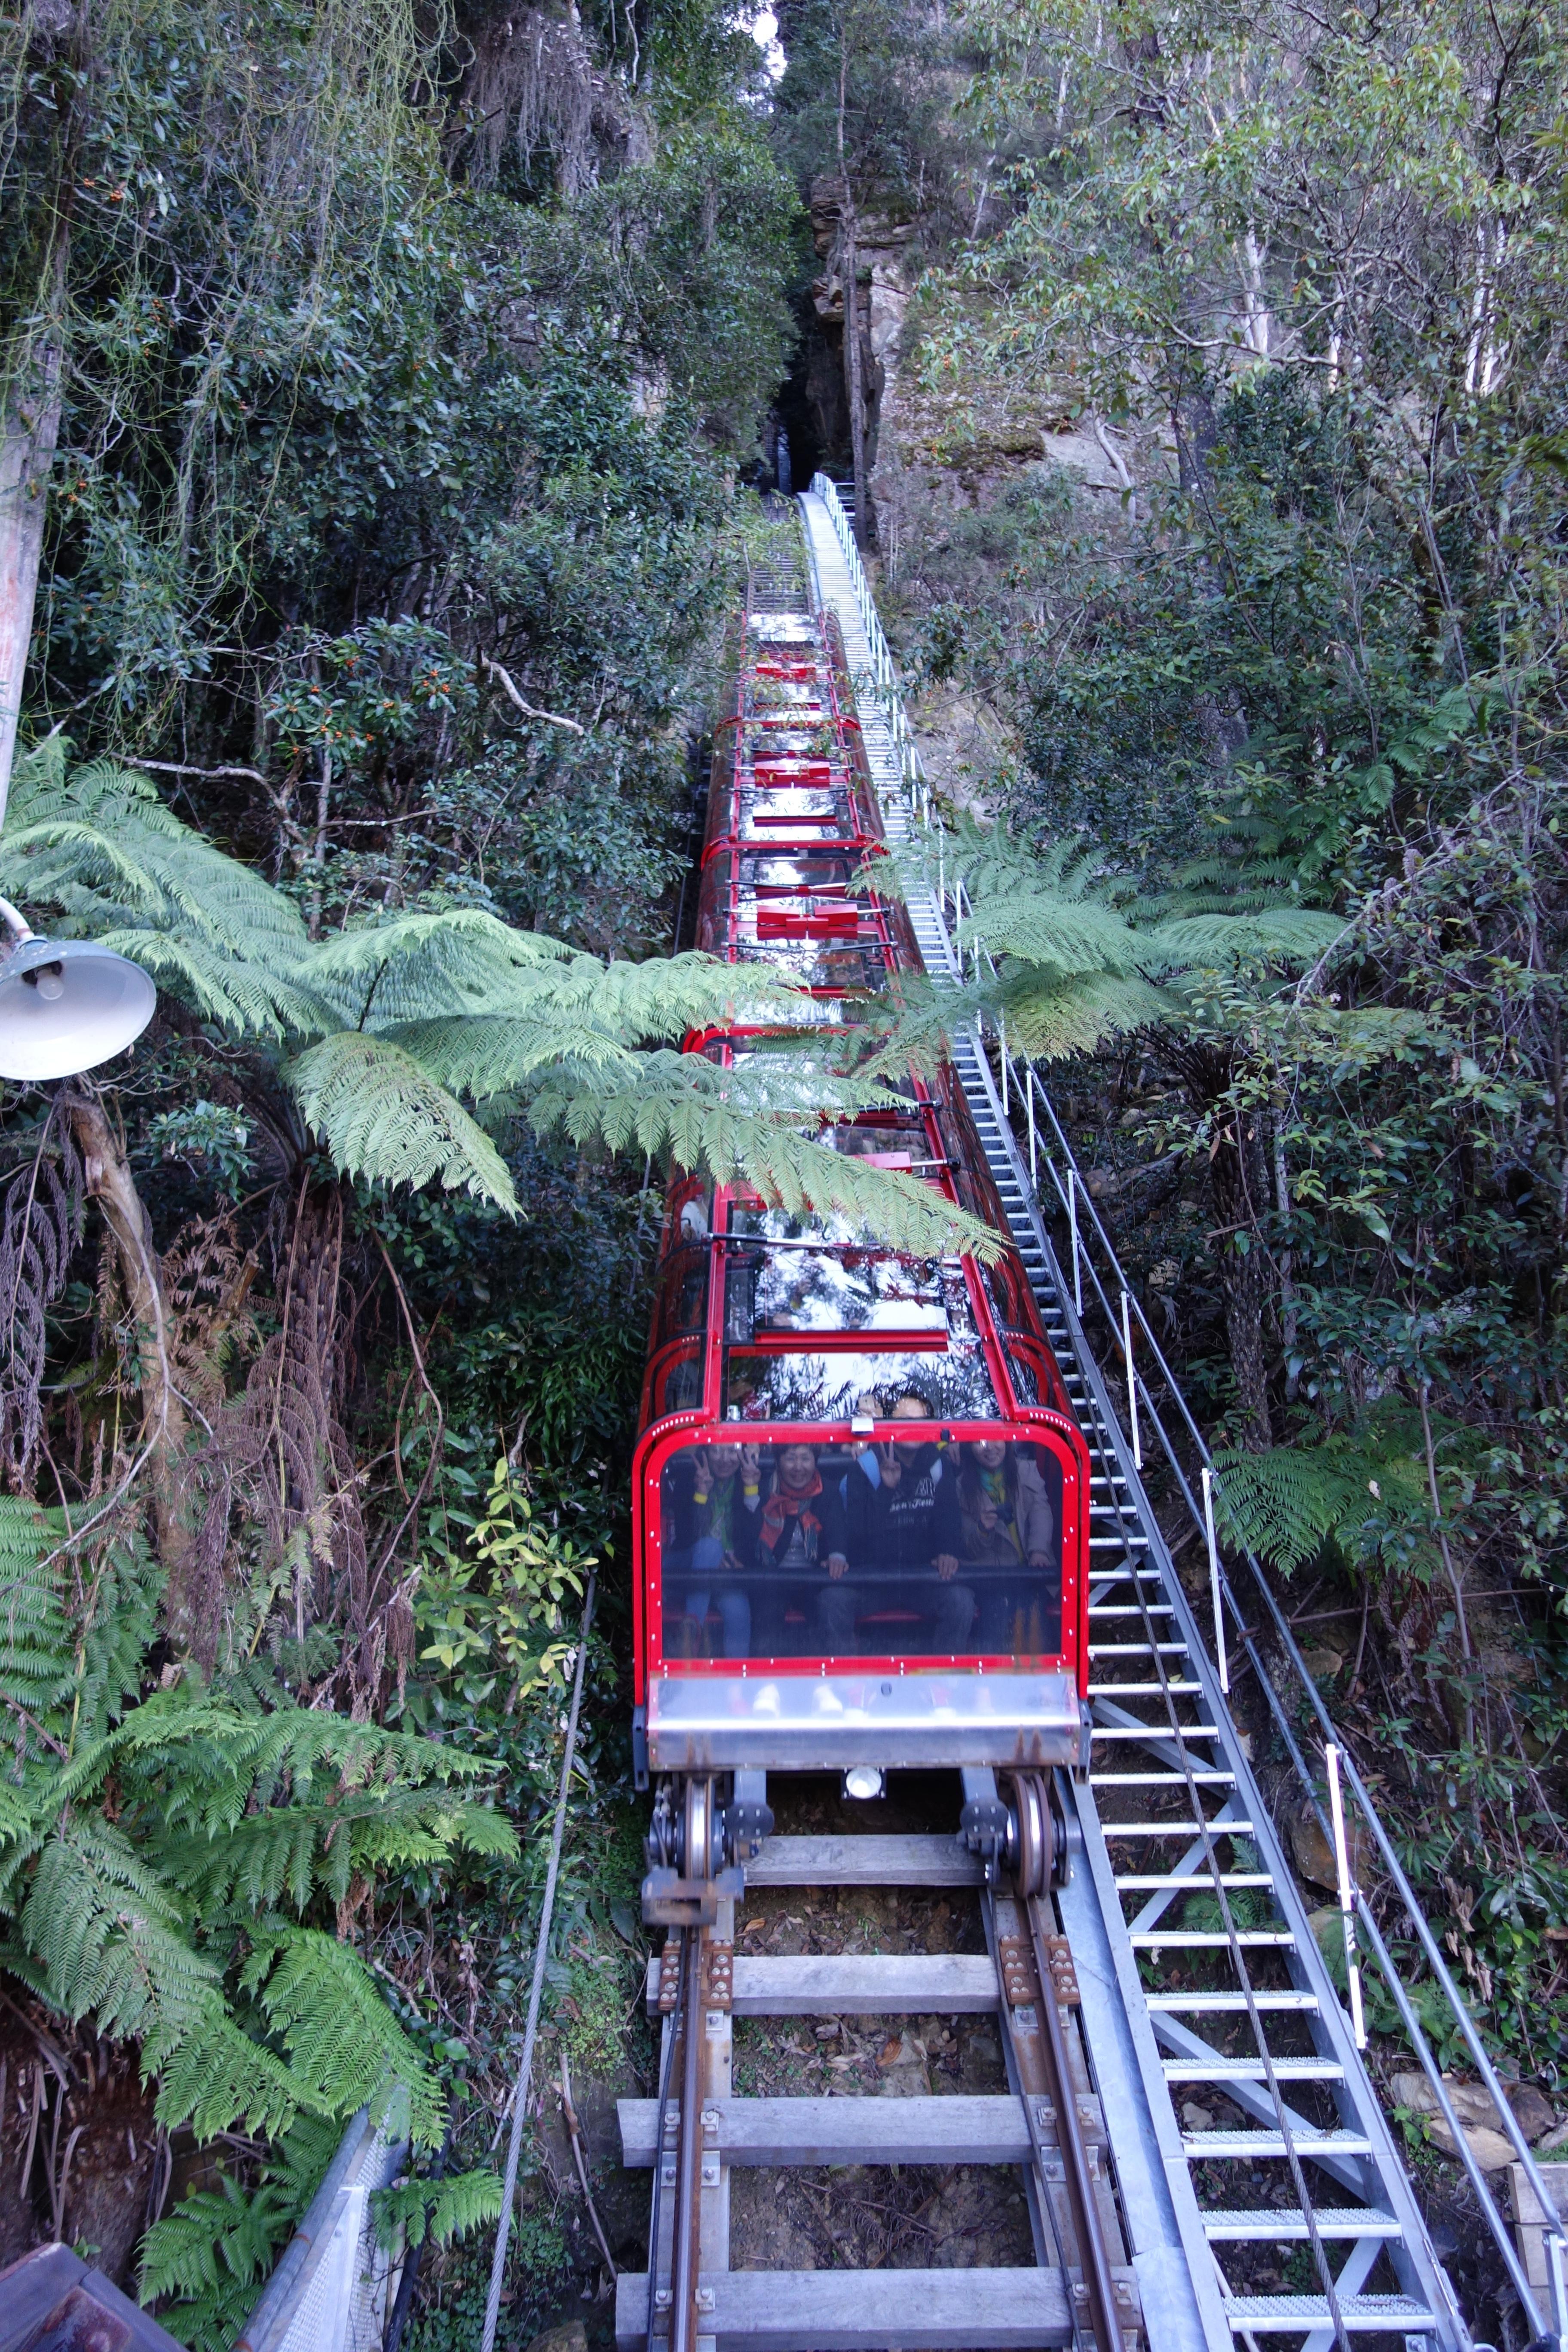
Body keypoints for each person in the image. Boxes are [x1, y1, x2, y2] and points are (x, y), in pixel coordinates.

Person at [829, 1393, 974, 1652]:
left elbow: (949, 1518)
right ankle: (845, 1683)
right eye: (905, 1420)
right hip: (872, 1579)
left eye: (921, 1420)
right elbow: (856, 1536)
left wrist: (948, 1552)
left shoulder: (939, 1465)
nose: (914, 1427)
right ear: (888, 1421)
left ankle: (944, 1682)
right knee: (833, 1601)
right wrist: (886, 1491)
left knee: (961, 1602)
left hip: (923, 1578)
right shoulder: (865, 1466)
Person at [956, 1439, 1061, 1655]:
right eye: (979, 1443)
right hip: (991, 1579)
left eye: (995, 1440)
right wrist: (983, 1530)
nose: (990, 1447)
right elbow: (967, 1548)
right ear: (968, 1448)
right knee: (995, 1612)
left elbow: (1041, 1511)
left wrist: (1038, 1550)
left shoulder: (1027, 1470)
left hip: (1030, 1572)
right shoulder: (961, 1486)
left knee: (1036, 1609)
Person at [662, 1442, 760, 1657]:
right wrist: (701, 1494)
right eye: (717, 1451)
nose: (724, 1459)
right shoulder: (689, 1481)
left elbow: (752, 1538)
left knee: (739, 1609)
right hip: (685, 1567)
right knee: (710, 1547)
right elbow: (687, 1537)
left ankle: (737, 1682)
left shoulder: (748, 1480)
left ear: (743, 1454)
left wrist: (751, 1488)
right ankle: (692, 1629)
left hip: (723, 1574)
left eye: (732, 1451)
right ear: (705, 1452)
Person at [752, 1442, 845, 1654]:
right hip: (774, 1579)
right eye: (791, 1458)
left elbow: (838, 1530)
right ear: (778, 1462)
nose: (798, 1467)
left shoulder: (828, 1491)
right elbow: (749, 1540)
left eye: (805, 1458)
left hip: (814, 1580)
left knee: (827, 1611)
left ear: (815, 1462)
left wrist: (837, 1556)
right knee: (767, 1611)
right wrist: (750, 1497)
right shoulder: (764, 1489)